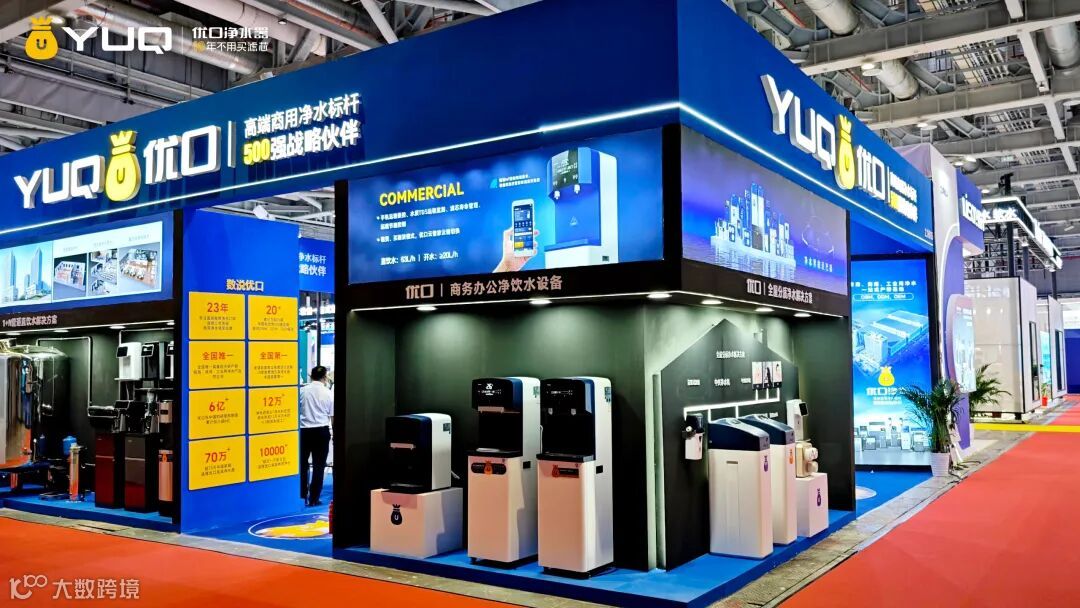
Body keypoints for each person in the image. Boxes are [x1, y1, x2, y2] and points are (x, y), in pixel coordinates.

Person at [299, 365, 333, 507]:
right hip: (321, 432)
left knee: (302, 465)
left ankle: (301, 496)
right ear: (324, 377)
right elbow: (332, 416)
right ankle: (314, 498)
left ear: (311, 376)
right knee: (319, 466)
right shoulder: (328, 393)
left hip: (304, 432)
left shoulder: (302, 391)